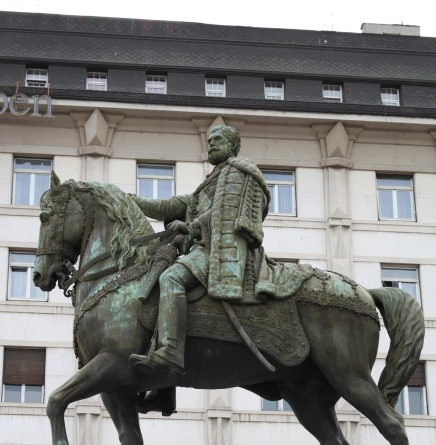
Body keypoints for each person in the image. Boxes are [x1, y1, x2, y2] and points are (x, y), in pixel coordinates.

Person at [130, 125, 311, 374]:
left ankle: (170, 351)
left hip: (222, 251)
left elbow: (228, 211)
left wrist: (191, 227)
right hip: (204, 249)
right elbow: (166, 206)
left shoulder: (239, 172)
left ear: (232, 146)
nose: (211, 144)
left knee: (171, 278)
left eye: (218, 139)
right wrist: (128, 199)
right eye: (209, 140)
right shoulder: (204, 187)